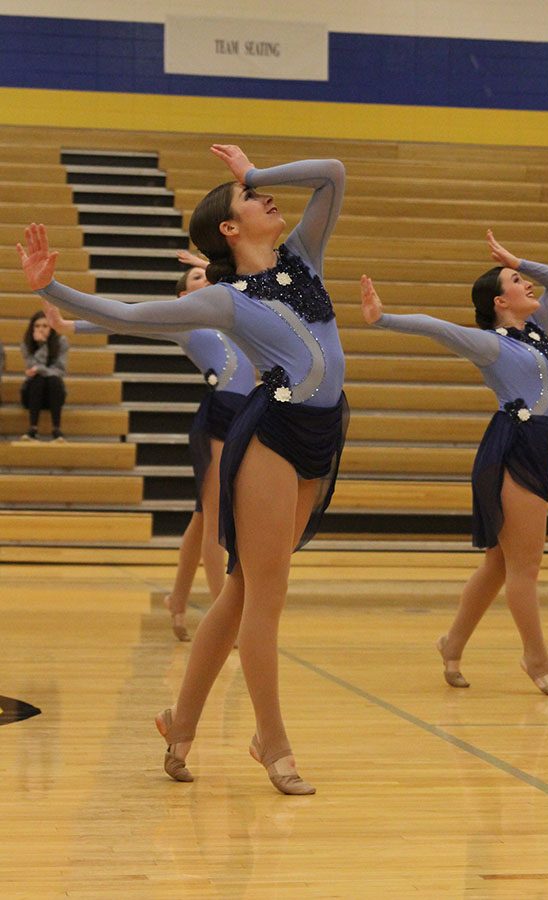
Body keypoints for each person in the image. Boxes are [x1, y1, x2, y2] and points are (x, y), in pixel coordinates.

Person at [18, 144, 347, 794]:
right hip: (272, 436)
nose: (264, 199)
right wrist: (49, 288)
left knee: (242, 592)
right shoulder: (225, 301)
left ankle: (180, 721)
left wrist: (252, 173)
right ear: (229, 229)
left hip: (323, 432)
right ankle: (270, 741)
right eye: (252, 200)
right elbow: (131, 316)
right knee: (264, 597)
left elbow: (333, 176)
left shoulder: (303, 258)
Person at [361, 229, 548, 696]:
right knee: (526, 566)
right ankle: (536, 660)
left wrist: (516, 258)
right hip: (513, 449)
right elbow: (437, 327)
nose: (529, 285)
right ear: (500, 302)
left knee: (501, 563)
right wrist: (384, 319)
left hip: (538, 446)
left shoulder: (537, 332)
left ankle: (452, 642)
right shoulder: (492, 344)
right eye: (518, 282)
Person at [43, 258, 256, 641]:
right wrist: (70, 325)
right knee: (216, 521)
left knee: (202, 518)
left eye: (207, 275)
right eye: (196, 277)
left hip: (243, 415)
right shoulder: (184, 322)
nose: (205, 278)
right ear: (182, 296)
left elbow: (250, 282)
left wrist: (209, 263)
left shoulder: (232, 315)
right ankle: (226, 620)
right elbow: (129, 319)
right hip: (220, 416)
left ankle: (177, 599)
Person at [19, 310, 67, 441]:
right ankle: (32, 429)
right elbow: (31, 368)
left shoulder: (61, 341)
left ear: (51, 327)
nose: (41, 329)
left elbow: (60, 370)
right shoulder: (26, 343)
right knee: (38, 379)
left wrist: (39, 368)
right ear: (32, 327)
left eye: (45, 326)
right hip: (32, 394)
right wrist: (42, 345)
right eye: (37, 326)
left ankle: (56, 429)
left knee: (53, 380)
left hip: (54, 393)